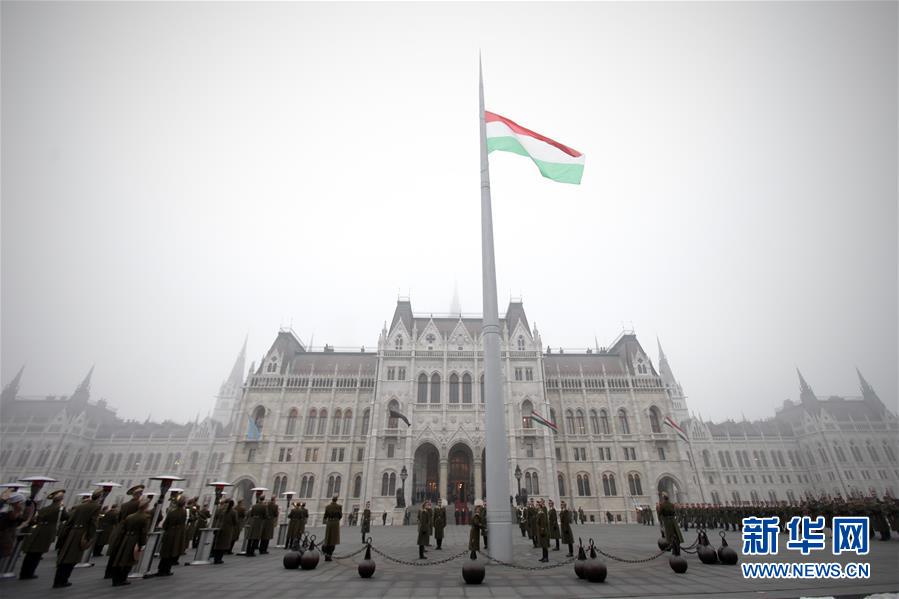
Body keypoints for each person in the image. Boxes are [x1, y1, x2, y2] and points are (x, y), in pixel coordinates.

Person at [54, 489, 102, 588]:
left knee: (65, 556)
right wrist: (90, 536)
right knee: (72, 557)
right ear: (99, 497)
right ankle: (63, 580)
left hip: (72, 533)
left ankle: (58, 579)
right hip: (81, 533)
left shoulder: (79, 506)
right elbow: (93, 523)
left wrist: (64, 535)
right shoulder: (96, 507)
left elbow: (69, 521)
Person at [19, 489, 66, 580]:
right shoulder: (59, 508)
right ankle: (29, 573)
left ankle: (24, 572)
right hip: (46, 532)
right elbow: (65, 517)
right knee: (36, 554)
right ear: (61, 499)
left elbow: (36, 518)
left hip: (37, 530)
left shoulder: (45, 508)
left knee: (31, 554)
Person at [108, 498, 152, 586]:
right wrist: (143, 543)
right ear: (146, 506)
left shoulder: (130, 516)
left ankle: (115, 578)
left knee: (120, 557)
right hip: (134, 539)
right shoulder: (145, 517)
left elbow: (122, 529)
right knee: (130, 559)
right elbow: (143, 532)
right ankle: (122, 578)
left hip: (126, 538)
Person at [104, 484, 143, 579]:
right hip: (130, 531)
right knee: (126, 552)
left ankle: (109, 572)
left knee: (115, 551)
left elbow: (119, 517)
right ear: (139, 494)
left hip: (120, 529)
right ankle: (120, 573)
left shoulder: (124, 505)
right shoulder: (138, 505)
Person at [156, 495, 187, 576]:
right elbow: (183, 523)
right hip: (177, 534)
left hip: (169, 533)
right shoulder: (184, 512)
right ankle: (167, 569)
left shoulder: (171, 512)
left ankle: (161, 569)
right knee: (172, 551)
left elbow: (165, 524)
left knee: (166, 551)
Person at [211, 499, 238, 564]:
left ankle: (215, 557)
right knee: (223, 544)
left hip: (219, 527)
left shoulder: (220, 510)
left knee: (218, 543)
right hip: (227, 528)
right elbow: (235, 521)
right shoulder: (233, 512)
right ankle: (219, 559)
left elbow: (216, 517)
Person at [322, 494, 342, 561]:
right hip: (335, 523)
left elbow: (325, 516)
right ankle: (330, 555)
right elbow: (340, 515)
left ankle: (326, 555)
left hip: (329, 523)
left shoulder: (327, 507)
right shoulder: (339, 506)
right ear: (336, 500)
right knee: (333, 539)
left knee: (328, 538)